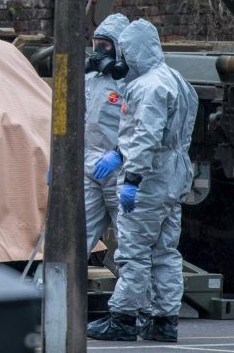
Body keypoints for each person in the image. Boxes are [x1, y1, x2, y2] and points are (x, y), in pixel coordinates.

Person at [87, 19, 198, 343]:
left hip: (150, 177)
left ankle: (123, 317)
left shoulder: (147, 86)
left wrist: (132, 177)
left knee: (133, 251)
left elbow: (145, 137)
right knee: (165, 251)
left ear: (131, 50)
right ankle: (164, 320)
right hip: (174, 176)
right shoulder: (176, 79)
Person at [84, 13, 130, 254]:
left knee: (129, 242)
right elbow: (77, 123)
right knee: (75, 235)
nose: (100, 49)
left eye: (106, 44)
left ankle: (138, 292)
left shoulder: (131, 83)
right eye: (97, 43)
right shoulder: (89, 80)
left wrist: (119, 155)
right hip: (90, 166)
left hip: (119, 169)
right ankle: (55, 289)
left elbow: (140, 128)